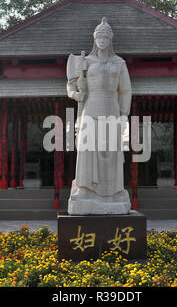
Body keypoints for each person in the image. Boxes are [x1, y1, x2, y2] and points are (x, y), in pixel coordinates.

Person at [67, 17, 132, 215]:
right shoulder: (84, 62)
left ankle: (112, 193)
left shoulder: (119, 63)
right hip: (90, 108)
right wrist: (77, 93)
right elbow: (71, 84)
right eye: (99, 36)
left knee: (110, 152)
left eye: (105, 36)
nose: (102, 40)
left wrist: (124, 114)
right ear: (94, 39)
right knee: (88, 151)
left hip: (112, 108)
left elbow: (126, 90)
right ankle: (85, 190)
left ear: (110, 39)